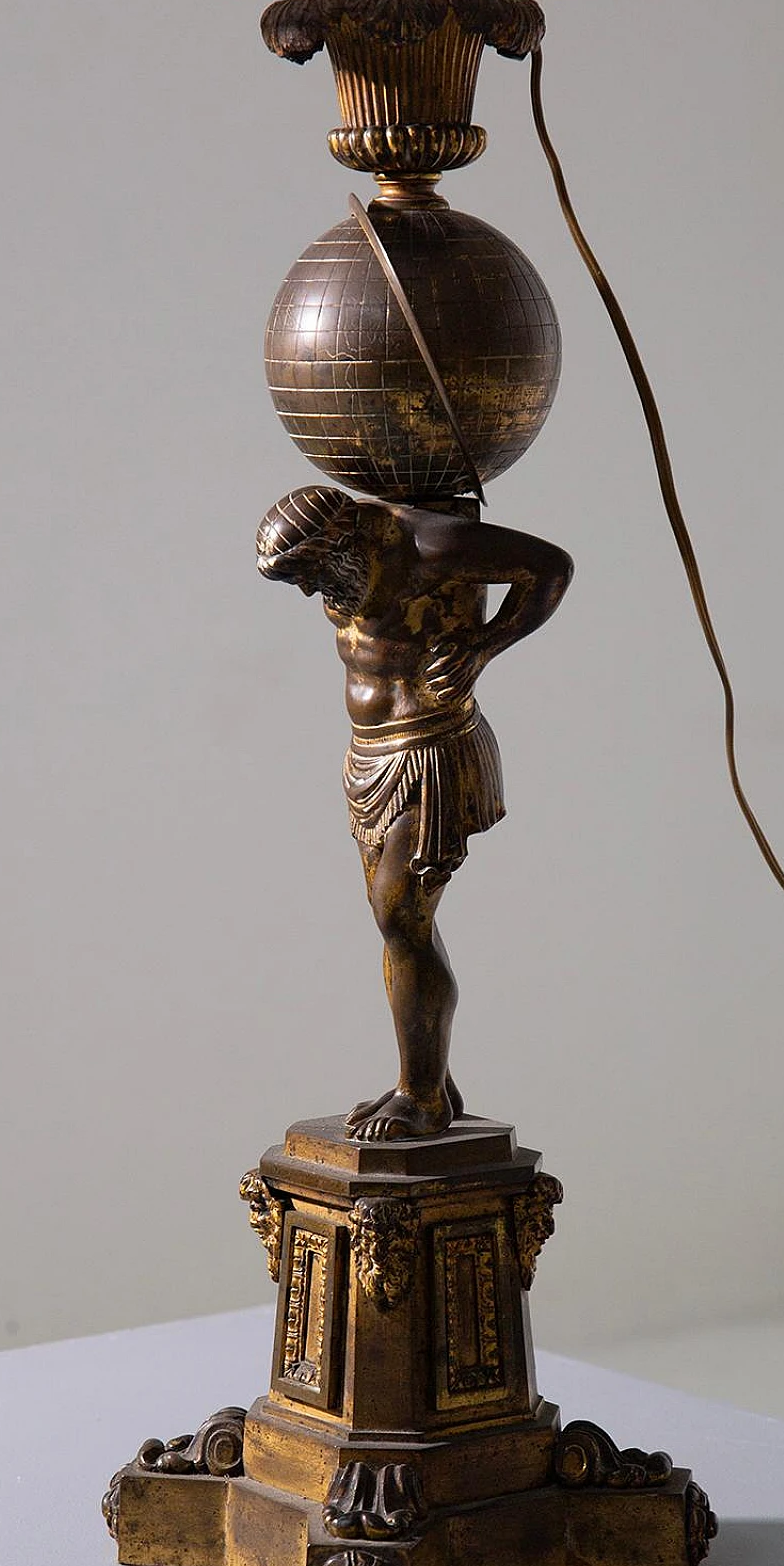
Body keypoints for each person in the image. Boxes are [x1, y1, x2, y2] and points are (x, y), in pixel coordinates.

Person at [257, 485, 573, 1141]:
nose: (309, 591)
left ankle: (422, 1096)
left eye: (309, 573)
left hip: (430, 750)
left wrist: (484, 645)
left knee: (399, 916)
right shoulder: (350, 568)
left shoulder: (431, 543)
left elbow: (550, 567)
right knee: (400, 927)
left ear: (339, 542)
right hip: (368, 758)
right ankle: (428, 1078)